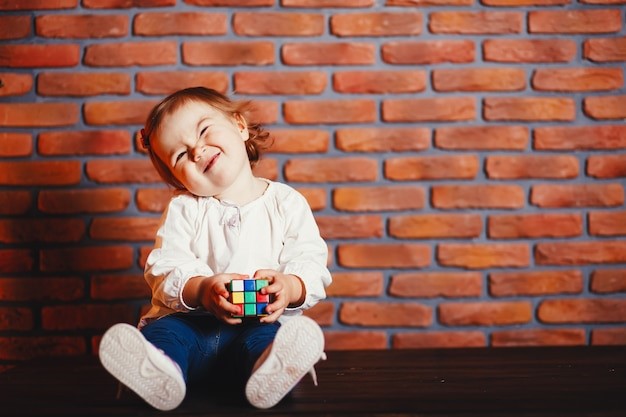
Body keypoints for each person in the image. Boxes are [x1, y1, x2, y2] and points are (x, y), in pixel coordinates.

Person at [98, 87, 332, 411]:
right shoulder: (185, 208)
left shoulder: (286, 203)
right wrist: (203, 289)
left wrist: (291, 286)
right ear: (177, 178)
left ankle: (269, 369)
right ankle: (162, 372)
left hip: (256, 324)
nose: (196, 151)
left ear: (239, 125)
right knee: (166, 333)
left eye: (204, 131)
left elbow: (311, 260)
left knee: (267, 339)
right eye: (180, 155)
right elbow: (165, 267)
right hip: (192, 326)